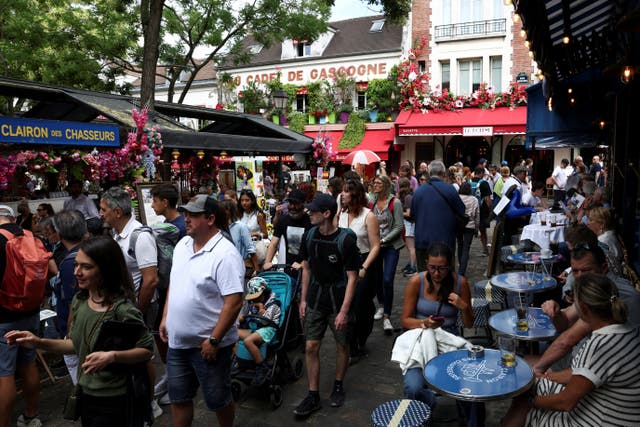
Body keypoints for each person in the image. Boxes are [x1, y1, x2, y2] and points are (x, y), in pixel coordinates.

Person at [4, 235, 155, 426]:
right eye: (76, 265)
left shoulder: (123, 310)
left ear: (106, 269)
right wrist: (37, 342)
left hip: (117, 400)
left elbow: (146, 350)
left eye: (86, 267)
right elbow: (75, 345)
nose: (77, 272)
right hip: (87, 396)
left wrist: (112, 356)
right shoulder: (79, 301)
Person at [502, 273, 640, 427]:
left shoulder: (600, 345)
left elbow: (565, 402)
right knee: (531, 385)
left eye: (574, 304)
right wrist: (545, 377)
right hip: (615, 409)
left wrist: (531, 401)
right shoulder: (629, 329)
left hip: (602, 419)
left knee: (524, 400)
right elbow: (584, 374)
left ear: (585, 309)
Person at [159, 194, 244, 427]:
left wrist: (214, 340)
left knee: (218, 399)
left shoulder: (225, 254)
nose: (186, 219)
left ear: (210, 219)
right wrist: (166, 317)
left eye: (193, 215)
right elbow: (175, 285)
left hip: (208, 346)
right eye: (186, 214)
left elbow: (234, 302)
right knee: (179, 398)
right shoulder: (182, 245)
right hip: (177, 344)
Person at [294, 194, 360, 417]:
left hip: (338, 299)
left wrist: (343, 311)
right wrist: (303, 300)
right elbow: (306, 267)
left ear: (327, 214)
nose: (308, 213)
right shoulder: (310, 235)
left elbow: (353, 277)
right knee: (311, 347)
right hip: (316, 298)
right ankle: (313, 395)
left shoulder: (346, 240)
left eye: (313, 210)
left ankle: (338, 384)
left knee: (342, 345)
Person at [533, 243, 640, 377]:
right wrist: (555, 313)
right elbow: (565, 323)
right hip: (582, 361)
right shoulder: (591, 286)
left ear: (604, 268)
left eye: (586, 270)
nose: (579, 277)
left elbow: (568, 340)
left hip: (595, 369)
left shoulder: (616, 293)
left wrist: (539, 372)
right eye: (575, 271)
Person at [400, 243, 474, 413]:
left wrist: (463, 306)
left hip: (448, 340)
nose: (436, 273)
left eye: (442, 268)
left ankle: (468, 417)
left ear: (450, 266)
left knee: (469, 386)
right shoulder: (416, 282)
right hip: (420, 339)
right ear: (426, 264)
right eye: (432, 268)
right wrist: (424, 323)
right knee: (413, 388)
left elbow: (469, 324)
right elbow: (405, 320)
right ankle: (427, 403)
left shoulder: (460, 283)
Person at [0, 206, 42, 427]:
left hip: (4, 316)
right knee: (28, 362)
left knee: (4, 371)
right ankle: (31, 414)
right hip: (31, 309)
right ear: (13, 218)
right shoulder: (29, 236)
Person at [337, 178, 380, 359]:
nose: (342, 195)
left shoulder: (368, 216)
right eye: (343, 191)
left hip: (363, 261)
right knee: (346, 303)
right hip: (343, 263)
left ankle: (360, 339)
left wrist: (364, 266)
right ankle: (351, 344)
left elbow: (375, 245)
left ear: (355, 195)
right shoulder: (340, 214)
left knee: (362, 305)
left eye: (347, 191)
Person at [51, 210, 87, 381]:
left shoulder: (70, 263)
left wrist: (70, 336)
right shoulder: (95, 250)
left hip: (79, 334)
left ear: (58, 234)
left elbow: (75, 301)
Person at [412, 160, 465, 268]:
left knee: (424, 278)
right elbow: (461, 211)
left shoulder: (418, 192)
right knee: (445, 277)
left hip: (422, 241)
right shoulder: (450, 189)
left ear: (429, 173)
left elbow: (413, 215)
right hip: (445, 241)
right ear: (443, 173)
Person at [371, 175, 404, 334]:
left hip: (390, 245)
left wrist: (384, 240)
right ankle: (382, 305)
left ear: (385, 185)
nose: (375, 185)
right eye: (374, 183)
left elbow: (399, 226)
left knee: (387, 279)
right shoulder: (372, 202)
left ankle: (387, 316)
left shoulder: (395, 203)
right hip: (376, 246)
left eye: (378, 183)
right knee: (377, 278)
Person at [237, 276, 281, 386]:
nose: (254, 300)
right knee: (232, 335)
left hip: (268, 329)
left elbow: (265, 321)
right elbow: (244, 315)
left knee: (248, 341)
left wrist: (261, 308)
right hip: (255, 329)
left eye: (257, 297)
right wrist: (243, 316)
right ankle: (240, 362)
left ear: (265, 293)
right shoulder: (252, 303)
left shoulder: (274, 305)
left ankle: (262, 367)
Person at [263, 189, 312, 271]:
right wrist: (267, 263)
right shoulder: (283, 221)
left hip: (306, 270)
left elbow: (313, 250)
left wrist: (303, 264)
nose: (292, 207)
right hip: (288, 268)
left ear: (303, 204)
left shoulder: (310, 223)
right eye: (290, 203)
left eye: (296, 204)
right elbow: (273, 244)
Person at [220, 200, 260, 275]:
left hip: (243, 266)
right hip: (226, 267)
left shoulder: (241, 227)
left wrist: (256, 269)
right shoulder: (219, 228)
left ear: (229, 211)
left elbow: (250, 248)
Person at [587, 206, 624, 277]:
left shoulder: (602, 241)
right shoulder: (610, 233)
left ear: (602, 224)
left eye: (591, 220)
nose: (587, 223)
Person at [457, 183, 479, 276]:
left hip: (458, 225)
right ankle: (462, 270)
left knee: (460, 245)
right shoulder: (474, 200)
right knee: (466, 247)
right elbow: (477, 215)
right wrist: (477, 228)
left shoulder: (457, 197)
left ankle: (460, 264)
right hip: (470, 225)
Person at [470, 166, 492, 256]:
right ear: (481, 173)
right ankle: (485, 249)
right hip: (481, 210)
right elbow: (488, 199)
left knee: (469, 231)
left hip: (470, 210)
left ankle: (466, 249)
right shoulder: (484, 183)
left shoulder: (468, 182)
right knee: (483, 231)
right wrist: (490, 210)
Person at [398, 177, 417, 276]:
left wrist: (399, 212)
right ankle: (411, 264)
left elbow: (409, 214)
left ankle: (413, 267)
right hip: (408, 224)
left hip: (410, 224)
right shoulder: (406, 197)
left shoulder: (408, 197)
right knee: (409, 248)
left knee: (411, 248)